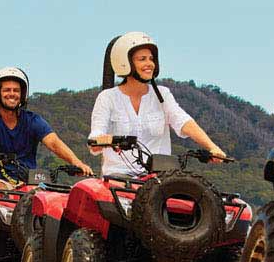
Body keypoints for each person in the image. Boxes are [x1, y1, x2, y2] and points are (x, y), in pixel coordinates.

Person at [88, 33, 227, 177]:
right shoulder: (107, 97)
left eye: (151, 59)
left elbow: (182, 121)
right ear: (125, 62)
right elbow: (96, 136)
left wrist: (212, 147)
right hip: (119, 176)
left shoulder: (162, 94)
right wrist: (105, 140)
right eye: (142, 59)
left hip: (158, 177)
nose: (150, 64)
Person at [0, 67, 92, 176]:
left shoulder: (32, 120)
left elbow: (53, 142)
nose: (12, 94)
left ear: (22, 94)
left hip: (29, 182)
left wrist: (77, 162)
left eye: (16, 90)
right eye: (7, 90)